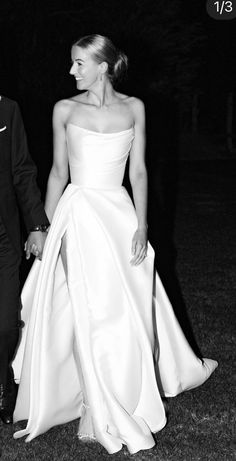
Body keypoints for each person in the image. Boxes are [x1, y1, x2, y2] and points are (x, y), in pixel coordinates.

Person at [12, 35, 217, 455]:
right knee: (88, 306)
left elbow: (138, 172)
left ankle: (127, 387)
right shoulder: (65, 109)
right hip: (78, 214)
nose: (71, 71)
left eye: (79, 63)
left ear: (103, 66)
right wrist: (42, 228)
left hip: (119, 214)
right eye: (72, 63)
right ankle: (96, 403)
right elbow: (56, 173)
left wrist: (142, 224)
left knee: (127, 305)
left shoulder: (134, 107)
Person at [0, 95, 50, 425]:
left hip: (3, 236)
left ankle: (3, 387)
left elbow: (21, 170)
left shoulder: (7, 109)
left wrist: (36, 225)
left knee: (5, 322)